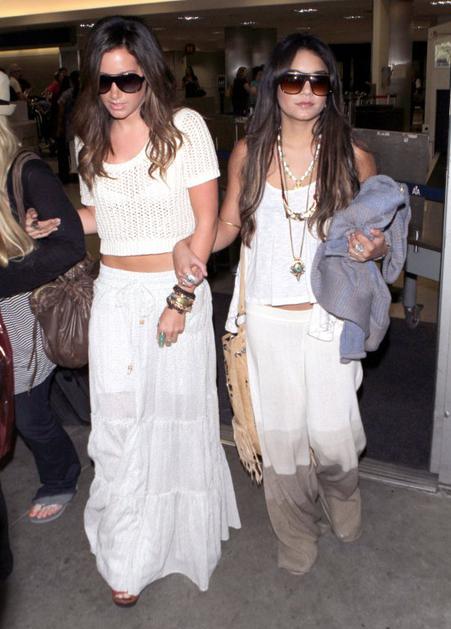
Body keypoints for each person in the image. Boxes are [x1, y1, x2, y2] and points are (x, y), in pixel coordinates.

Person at [174, 34, 405, 575]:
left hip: (330, 319)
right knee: (283, 443)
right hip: (267, 318)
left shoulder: (353, 157)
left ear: (331, 89)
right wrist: (191, 245)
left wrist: (374, 247)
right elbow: (229, 224)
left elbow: (382, 237)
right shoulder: (250, 154)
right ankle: (296, 532)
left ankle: (342, 493)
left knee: (334, 438)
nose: (305, 91)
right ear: (273, 85)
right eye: (294, 79)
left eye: (317, 81)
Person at [64, 15, 238, 606]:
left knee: (171, 416)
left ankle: (169, 539)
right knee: (117, 422)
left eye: (129, 80)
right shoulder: (88, 139)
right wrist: (56, 222)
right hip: (114, 294)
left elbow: (206, 221)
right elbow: (104, 216)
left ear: (150, 76)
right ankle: (126, 549)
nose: (115, 93)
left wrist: (181, 299)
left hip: (173, 293)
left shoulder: (184, 129)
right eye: (105, 81)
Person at [0, 70, 85, 526]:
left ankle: (61, 474)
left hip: (17, 309)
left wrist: (14, 265)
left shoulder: (25, 172)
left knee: (28, 415)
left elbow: (70, 245)